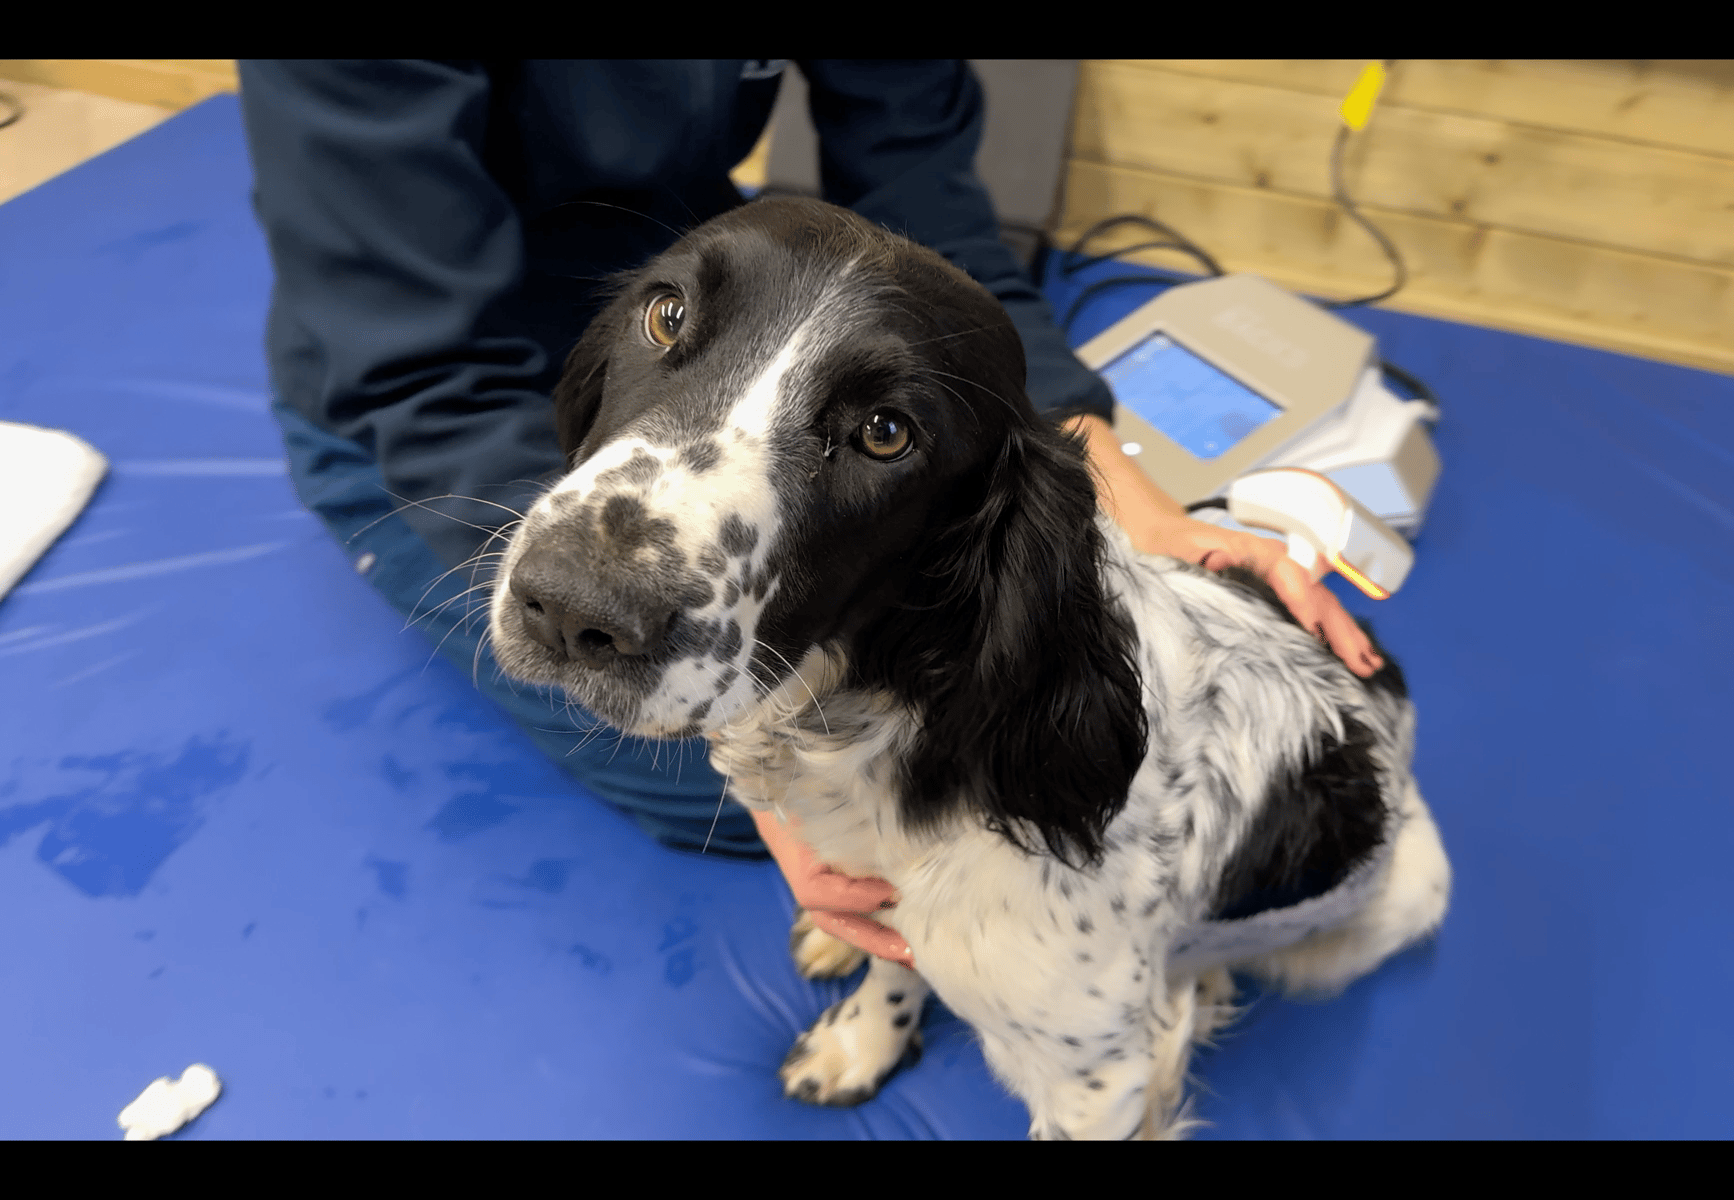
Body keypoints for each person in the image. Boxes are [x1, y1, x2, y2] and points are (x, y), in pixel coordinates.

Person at [236, 60, 1384, 970]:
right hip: (421, 402)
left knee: (955, 747)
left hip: (720, 302)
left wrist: (1113, 482)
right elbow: (418, 372)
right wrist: (775, 781)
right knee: (788, 789)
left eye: (882, 433)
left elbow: (930, 225)